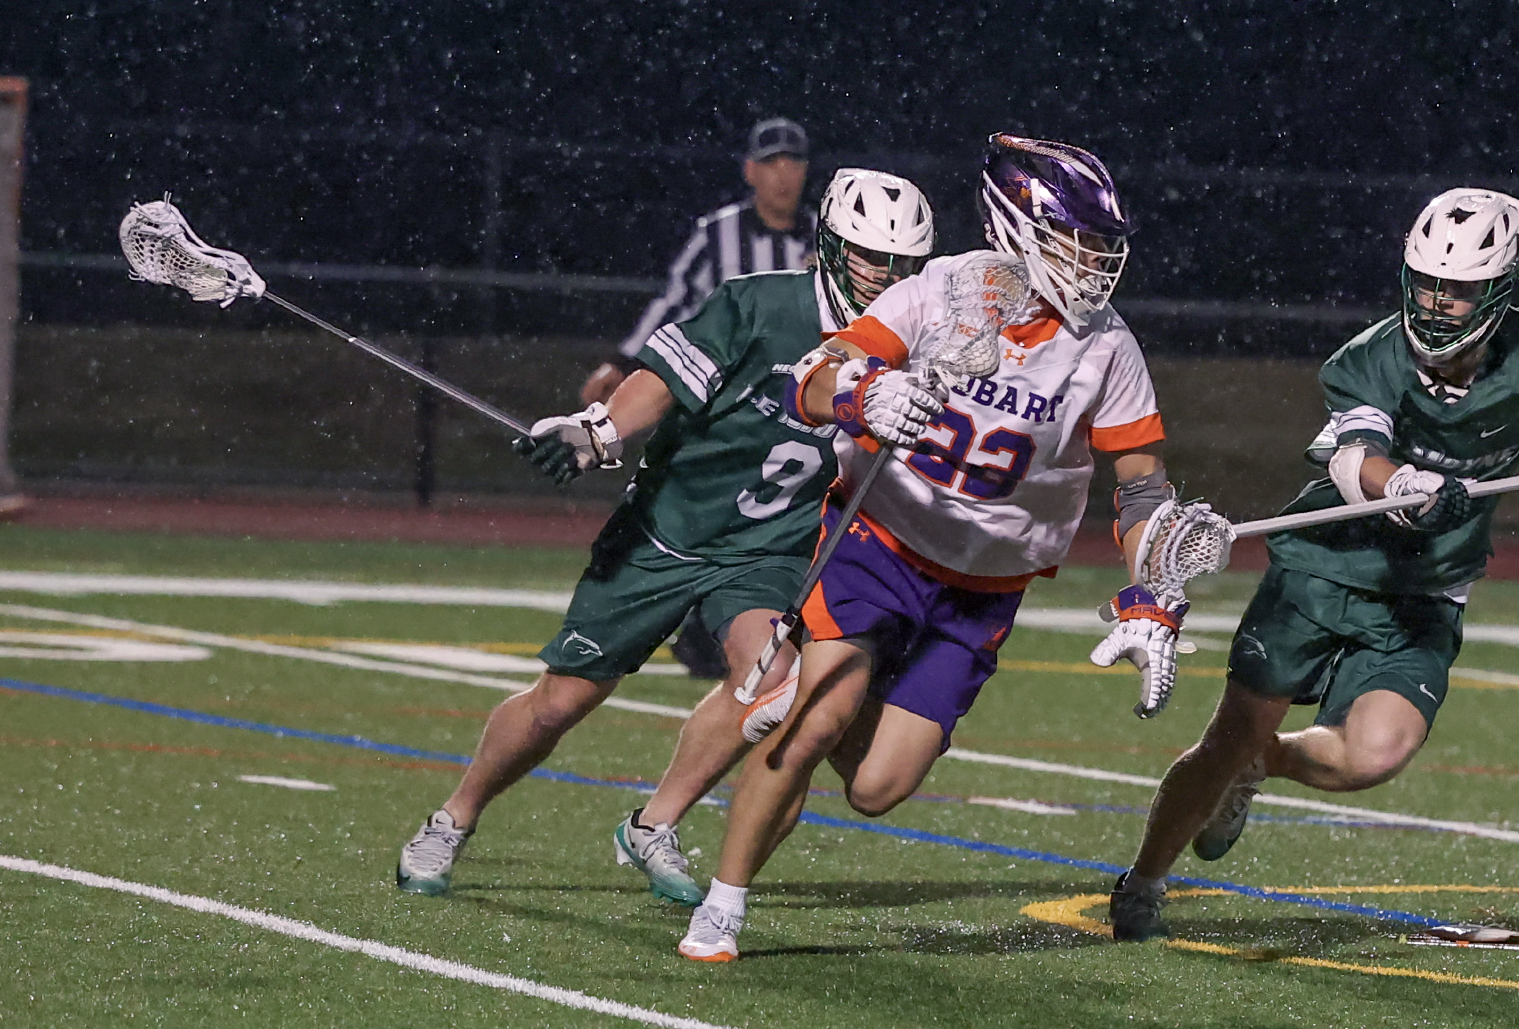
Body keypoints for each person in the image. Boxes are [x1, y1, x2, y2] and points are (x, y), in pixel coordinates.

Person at [1106, 187, 1519, 941]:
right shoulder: (1370, 358)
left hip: (1425, 587)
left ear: (1500, 290)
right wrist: (1405, 486)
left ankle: (1266, 765)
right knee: (1227, 738)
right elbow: (1354, 458)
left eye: (1461, 289)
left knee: (1371, 756)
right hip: (1324, 568)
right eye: (1428, 282)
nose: (1440, 302)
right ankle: (1145, 879)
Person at [677, 134, 1187, 962]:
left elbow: (1140, 484)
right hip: (879, 540)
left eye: (1103, 244)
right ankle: (724, 906)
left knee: (877, 787)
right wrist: (862, 398)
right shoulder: (938, 290)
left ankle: (809, 695)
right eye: (1077, 240)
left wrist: (1153, 593)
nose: (1094, 261)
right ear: (1018, 226)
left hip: (984, 587)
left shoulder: (1106, 346)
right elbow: (806, 382)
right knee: (813, 724)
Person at [394, 168, 937, 903]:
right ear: (832, 248)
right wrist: (600, 430)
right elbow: (663, 378)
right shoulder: (756, 302)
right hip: (666, 531)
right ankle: (453, 818)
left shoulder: (914, 343)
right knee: (561, 702)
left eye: (904, 265)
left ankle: (654, 823)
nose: (887, 277)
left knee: (771, 680)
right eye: (873, 257)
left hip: (769, 547)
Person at [590, 117, 817, 680]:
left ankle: (756, 621)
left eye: (793, 163)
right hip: (720, 397)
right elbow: (673, 301)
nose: (783, 176)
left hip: (799, 403)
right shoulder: (717, 233)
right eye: (771, 164)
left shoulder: (823, 235)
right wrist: (622, 363)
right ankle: (687, 619)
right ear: (750, 171)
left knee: (787, 515)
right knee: (702, 501)